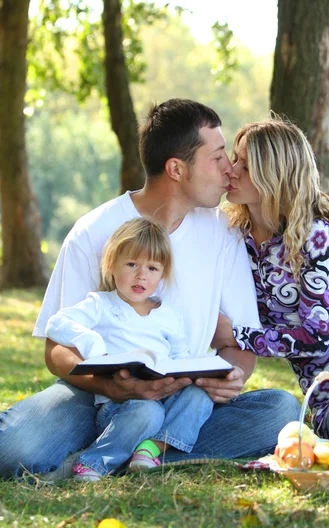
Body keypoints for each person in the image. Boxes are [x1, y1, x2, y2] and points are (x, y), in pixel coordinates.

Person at [0, 99, 300, 479]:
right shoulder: (93, 231)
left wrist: (231, 378)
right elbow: (56, 349)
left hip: (183, 398)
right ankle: (137, 451)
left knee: (281, 410)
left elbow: (238, 346)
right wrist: (113, 387)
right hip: (98, 398)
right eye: (218, 156)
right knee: (13, 450)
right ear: (176, 168)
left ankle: (120, 454)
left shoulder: (224, 233)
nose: (230, 169)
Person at [219, 117, 329, 444]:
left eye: (244, 166)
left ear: (273, 175)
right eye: (234, 159)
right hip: (325, 388)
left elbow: (317, 336)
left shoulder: (311, 232)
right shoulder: (232, 237)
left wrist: (239, 336)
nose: (231, 170)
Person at [45, 217, 214, 481]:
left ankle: (150, 449)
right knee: (148, 410)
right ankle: (93, 464)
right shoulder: (101, 304)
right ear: (111, 265)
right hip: (120, 406)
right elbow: (57, 324)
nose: (141, 275)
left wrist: (193, 374)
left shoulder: (169, 315)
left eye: (152, 268)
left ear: (163, 274)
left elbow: (181, 359)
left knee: (200, 397)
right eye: (132, 264)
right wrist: (94, 345)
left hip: (163, 395)